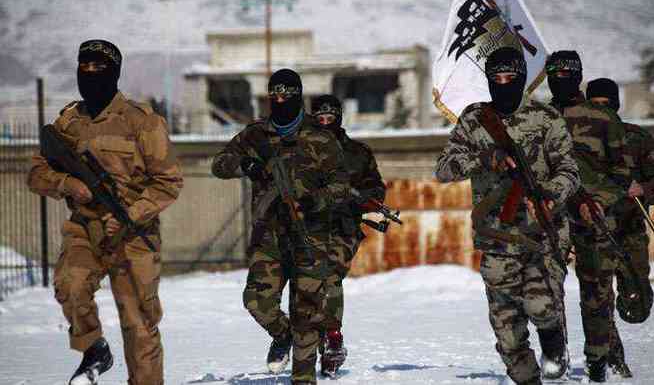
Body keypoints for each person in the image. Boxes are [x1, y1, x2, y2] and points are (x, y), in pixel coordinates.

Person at [27, 39, 183, 385]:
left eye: (99, 68)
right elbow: (36, 174)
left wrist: (134, 211)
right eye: (85, 68)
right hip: (85, 227)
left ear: (114, 72)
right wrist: (68, 184)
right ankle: (94, 348)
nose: (91, 74)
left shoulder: (143, 122)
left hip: (133, 236)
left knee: (138, 324)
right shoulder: (68, 122)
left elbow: (169, 182)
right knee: (70, 284)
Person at [435, 47, 579, 385]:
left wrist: (549, 194)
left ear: (521, 79)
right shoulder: (474, 120)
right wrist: (486, 158)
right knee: (508, 337)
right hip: (498, 238)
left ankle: (555, 344)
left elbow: (569, 171)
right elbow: (443, 169)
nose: (502, 85)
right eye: (496, 79)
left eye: (509, 78)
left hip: (543, 232)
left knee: (540, 302)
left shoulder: (546, 118)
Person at [211, 69, 350, 385]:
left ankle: (303, 379)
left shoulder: (320, 137)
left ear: (299, 94)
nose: (280, 99)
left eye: (287, 93)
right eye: (275, 93)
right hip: (269, 237)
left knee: (307, 313)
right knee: (256, 301)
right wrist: (244, 164)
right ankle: (282, 334)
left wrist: (316, 200)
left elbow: (341, 186)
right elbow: (219, 164)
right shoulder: (255, 135)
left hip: (310, 236)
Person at [547, 52, 631, 382]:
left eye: (568, 72)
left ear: (579, 75)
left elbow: (622, 174)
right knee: (547, 291)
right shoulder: (540, 118)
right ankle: (555, 357)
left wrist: (596, 202)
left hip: (594, 218)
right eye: (555, 72)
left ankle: (598, 359)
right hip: (551, 218)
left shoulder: (602, 118)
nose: (561, 77)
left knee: (596, 293)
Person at [586, 78, 654, 378]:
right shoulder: (580, 143)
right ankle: (612, 358)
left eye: (605, 105)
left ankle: (632, 303)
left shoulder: (637, 138)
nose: (601, 111)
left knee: (637, 309)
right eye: (594, 105)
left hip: (631, 230)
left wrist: (643, 189)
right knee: (599, 301)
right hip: (595, 234)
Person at [310, 95, 386, 376]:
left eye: (331, 118)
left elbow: (377, 189)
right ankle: (308, 342)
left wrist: (362, 199)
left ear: (339, 118)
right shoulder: (300, 151)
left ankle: (332, 338)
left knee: (329, 276)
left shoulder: (358, 152)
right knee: (308, 285)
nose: (326, 124)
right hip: (306, 227)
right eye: (320, 119)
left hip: (343, 228)